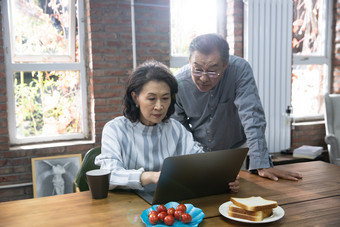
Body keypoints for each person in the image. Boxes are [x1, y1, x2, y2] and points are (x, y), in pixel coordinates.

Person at [172, 34, 303, 181]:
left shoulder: (239, 70)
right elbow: (179, 130)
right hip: (197, 151)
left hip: (234, 151)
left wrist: (261, 163)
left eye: (212, 71)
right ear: (190, 61)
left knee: (237, 194)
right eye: (197, 69)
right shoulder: (178, 83)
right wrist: (196, 161)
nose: (203, 78)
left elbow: (251, 115)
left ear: (225, 64)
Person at [95, 60, 240, 191]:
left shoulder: (175, 129)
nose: (159, 106)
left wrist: (222, 175)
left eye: (165, 98)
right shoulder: (115, 129)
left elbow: (199, 161)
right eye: (151, 98)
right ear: (135, 98)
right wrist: (151, 177)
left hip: (168, 206)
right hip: (125, 206)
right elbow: (109, 175)